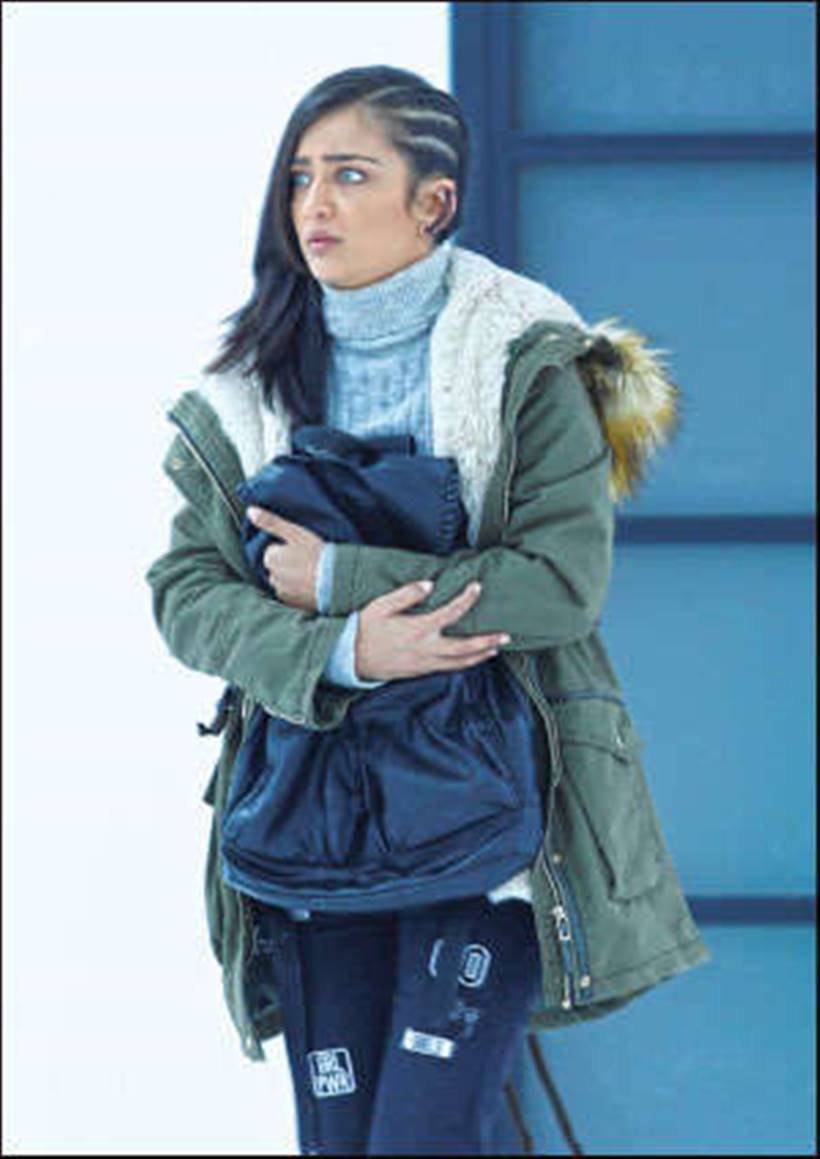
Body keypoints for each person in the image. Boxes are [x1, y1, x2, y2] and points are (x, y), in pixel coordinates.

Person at [145, 64, 711, 1156]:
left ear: (434, 201)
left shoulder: (527, 359)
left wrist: (344, 580)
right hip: (312, 824)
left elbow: (559, 581)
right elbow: (185, 592)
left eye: (350, 175)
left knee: (422, 1135)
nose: (314, 204)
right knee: (340, 1139)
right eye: (300, 177)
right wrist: (346, 647)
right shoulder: (247, 388)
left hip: (491, 824)